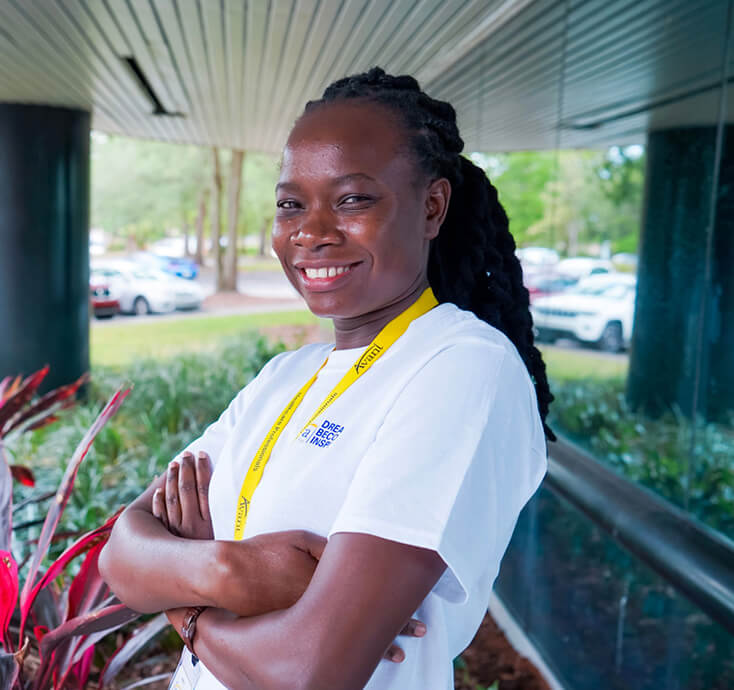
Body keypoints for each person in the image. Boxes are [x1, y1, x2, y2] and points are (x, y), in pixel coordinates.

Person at [99, 67, 554, 690]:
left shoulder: (463, 367)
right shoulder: (286, 374)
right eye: (291, 204)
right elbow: (120, 554)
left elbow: (309, 669)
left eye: (352, 199)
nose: (310, 232)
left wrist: (185, 607)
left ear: (432, 207)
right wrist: (235, 571)